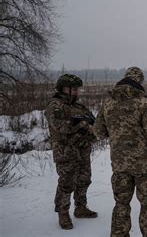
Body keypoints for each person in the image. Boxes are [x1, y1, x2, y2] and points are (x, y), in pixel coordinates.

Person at [94, 67, 147, 237]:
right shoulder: (143, 102)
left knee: (121, 203)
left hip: (120, 165)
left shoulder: (108, 103)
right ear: (139, 81)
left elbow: (99, 132)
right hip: (144, 165)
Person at [45, 74, 98, 230]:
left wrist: (88, 130)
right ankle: (63, 213)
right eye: (73, 89)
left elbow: (93, 124)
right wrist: (82, 125)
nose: (76, 92)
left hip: (83, 149)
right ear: (63, 88)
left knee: (84, 179)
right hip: (65, 150)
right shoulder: (55, 105)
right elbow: (60, 126)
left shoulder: (80, 107)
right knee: (67, 182)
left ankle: (81, 207)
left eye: (77, 89)